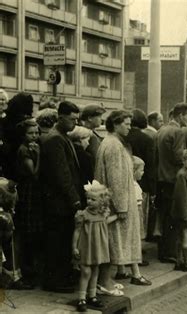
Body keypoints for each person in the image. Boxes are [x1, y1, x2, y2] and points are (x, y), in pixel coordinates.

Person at [95, 110, 150, 296]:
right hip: (116, 204)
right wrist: (121, 207)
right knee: (113, 243)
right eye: (126, 124)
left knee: (112, 242)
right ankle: (104, 282)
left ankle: (105, 280)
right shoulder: (114, 146)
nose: (129, 127)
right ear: (116, 124)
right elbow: (116, 179)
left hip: (113, 202)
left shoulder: (113, 143)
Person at [40, 101, 82, 293]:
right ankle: (55, 281)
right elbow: (62, 174)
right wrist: (74, 199)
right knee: (57, 241)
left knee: (63, 240)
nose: (75, 123)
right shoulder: (55, 139)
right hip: (58, 201)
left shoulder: (61, 137)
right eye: (72, 119)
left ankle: (62, 277)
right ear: (61, 117)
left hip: (60, 200)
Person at [154, 103, 187, 263]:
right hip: (171, 179)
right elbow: (178, 157)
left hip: (160, 178)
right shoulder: (178, 132)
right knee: (172, 217)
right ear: (180, 116)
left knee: (163, 216)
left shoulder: (161, 130)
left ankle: (163, 250)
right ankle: (169, 252)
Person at [72, 181, 118, 312]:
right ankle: (82, 298)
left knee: (95, 270)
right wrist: (74, 247)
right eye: (88, 199)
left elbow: (105, 222)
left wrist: (116, 217)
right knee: (86, 272)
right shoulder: (83, 214)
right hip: (86, 247)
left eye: (93, 199)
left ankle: (92, 296)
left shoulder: (102, 214)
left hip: (97, 247)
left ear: (102, 201)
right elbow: (77, 231)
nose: (89, 201)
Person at [14, 119, 42, 288]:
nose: (35, 136)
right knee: (27, 232)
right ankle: (26, 271)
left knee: (33, 233)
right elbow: (33, 173)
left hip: (34, 192)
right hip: (28, 191)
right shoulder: (25, 150)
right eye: (31, 133)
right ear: (24, 135)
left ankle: (31, 270)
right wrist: (39, 156)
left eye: (36, 133)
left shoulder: (33, 147)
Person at [126, 109, 156, 252]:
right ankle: (138, 249)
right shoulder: (147, 139)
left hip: (126, 181)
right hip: (142, 183)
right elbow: (151, 165)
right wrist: (152, 187)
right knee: (141, 217)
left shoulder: (124, 137)